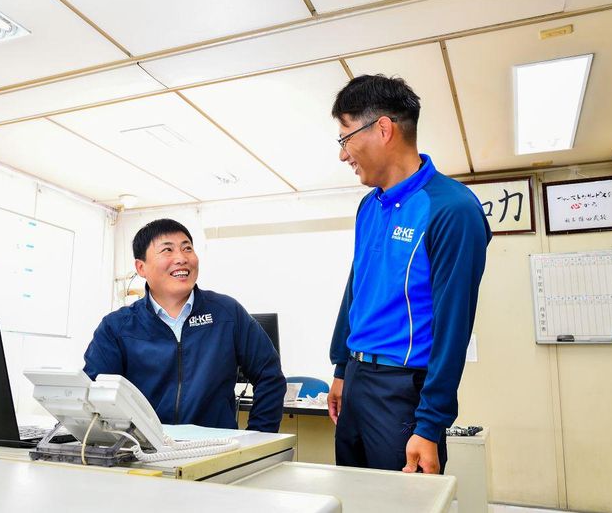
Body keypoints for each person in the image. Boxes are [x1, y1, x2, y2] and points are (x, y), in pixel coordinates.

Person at [327, 74, 491, 474]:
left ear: (383, 129)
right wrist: (341, 370)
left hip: (403, 392)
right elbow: (356, 290)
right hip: (356, 381)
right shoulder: (368, 207)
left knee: (403, 501)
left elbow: (454, 325)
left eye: (345, 138)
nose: (343, 155)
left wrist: (430, 423)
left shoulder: (452, 209)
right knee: (353, 496)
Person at [83, 218, 285, 432]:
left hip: (216, 447)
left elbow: (269, 375)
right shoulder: (116, 327)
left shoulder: (227, 313)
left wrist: (258, 437)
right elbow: (94, 394)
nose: (181, 258)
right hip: (144, 448)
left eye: (187, 248)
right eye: (167, 250)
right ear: (141, 267)